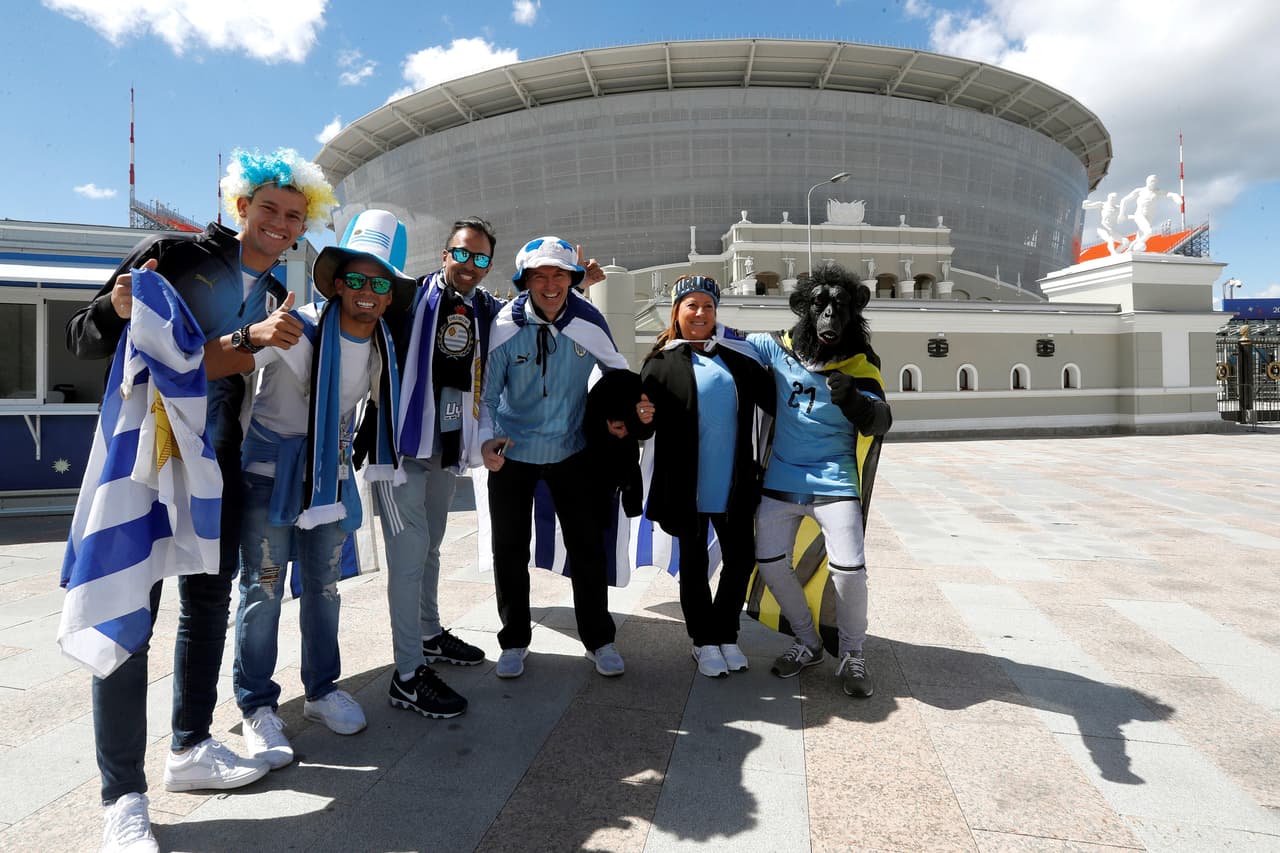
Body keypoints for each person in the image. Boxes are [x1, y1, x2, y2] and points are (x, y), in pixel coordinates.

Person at [65, 148, 337, 851]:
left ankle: (190, 748)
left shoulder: (278, 292)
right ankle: (121, 796)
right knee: (132, 611)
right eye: (269, 208)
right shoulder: (174, 255)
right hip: (146, 464)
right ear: (238, 205)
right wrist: (114, 307)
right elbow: (87, 336)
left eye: (294, 216)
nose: (280, 223)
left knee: (210, 602)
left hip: (214, 467)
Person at [203, 209, 415, 767]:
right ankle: (257, 705)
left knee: (324, 588)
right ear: (339, 282)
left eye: (381, 283)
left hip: (330, 479)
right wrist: (252, 334)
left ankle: (321, 690)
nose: (368, 292)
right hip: (268, 475)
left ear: (390, 296)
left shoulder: (382, 351)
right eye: (358, 279)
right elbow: (214, 362)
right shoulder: (297, 326)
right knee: (264, 588)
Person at [479, 237, 652, 679]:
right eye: (540, 276)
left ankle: (599, 639)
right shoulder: (503, 324)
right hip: (512, 454)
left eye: (560, 275)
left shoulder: (588, 320)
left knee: (587, 548)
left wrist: (618, 417)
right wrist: (486, 441)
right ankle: (514, 640)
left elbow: (619, 373)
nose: (551, 284)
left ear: (573, 280)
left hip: (573, 452)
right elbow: (487, 393)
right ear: (525, 281)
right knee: (509, 550)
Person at [372, 217, 503, 719]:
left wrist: (576, 283)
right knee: (407, 561)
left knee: (430, 549)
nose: (469, 265)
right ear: (444, 252)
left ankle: (427, 635)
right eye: (461, 254)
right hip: (401, 451)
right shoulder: (407, 297)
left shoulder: (486, 309)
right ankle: (406, 676)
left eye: (481, 258)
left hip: (447, 451)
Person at [747, 263, 892, 698]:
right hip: (782, 479)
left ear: (854, 313)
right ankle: (808, 641)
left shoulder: (862, 365)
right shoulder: (777, 349)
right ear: (804, 310)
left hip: (836, 483)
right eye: (820, 305)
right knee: (770, 564)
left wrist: (855, 402)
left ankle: (852, 653)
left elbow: (882, 421)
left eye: (840, 306)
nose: (830, 315)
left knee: (849, 571)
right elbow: (723, 341)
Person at [636, 275, 773, 677]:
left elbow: (778, 399)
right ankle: (702, 641)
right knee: (694, 567)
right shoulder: (659, 363)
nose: (700, 314)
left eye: (708, 307)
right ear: (676, 312)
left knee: (741, 559)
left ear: (716, 314)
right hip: (686, 485)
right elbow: (643, 428)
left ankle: (725, 634)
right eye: (691, 306)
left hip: (734, 482)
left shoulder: (739, 358)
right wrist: (641, 418)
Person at [1119, 174, 1182, 251]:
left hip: (1149, 216)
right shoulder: (1140, 191)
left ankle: (1129, 251)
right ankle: (1137, 247)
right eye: (1151, 181)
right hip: (1139, 215)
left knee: (1140, 237)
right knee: (1149, 232)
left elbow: (1169, 194)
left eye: (1155, 182)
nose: (1153, 183)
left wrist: (1176, 197)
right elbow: (1124, 200)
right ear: (1147, 182)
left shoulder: (1157, 192)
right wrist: (1121, 213)